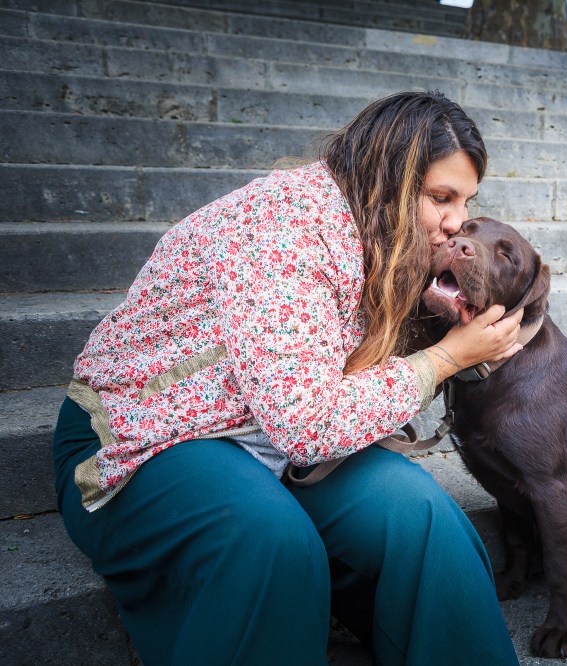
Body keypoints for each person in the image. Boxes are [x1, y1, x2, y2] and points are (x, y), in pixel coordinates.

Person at [52, 91, 523, 666]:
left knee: (424, 521)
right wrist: (445, 359)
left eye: (466, 201)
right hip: (149, 435)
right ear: (388, 178)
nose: (455, 222)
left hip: (276, 439)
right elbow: (310, 423)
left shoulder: (387, 235)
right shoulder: (283, 223)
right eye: (440, 198)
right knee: (270, 540)